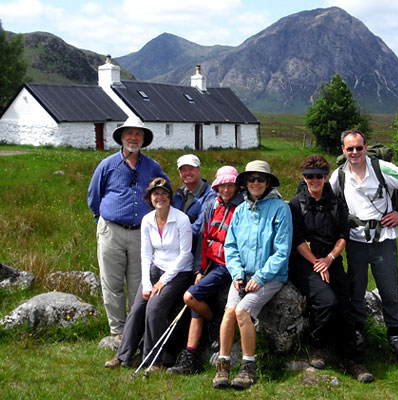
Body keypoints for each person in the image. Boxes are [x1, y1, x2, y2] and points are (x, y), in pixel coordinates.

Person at [329, 129, 398, 358]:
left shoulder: (381, 168)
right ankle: (359, 332)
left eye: (359, 147)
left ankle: (395, 335)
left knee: (389, 288)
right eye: (350, 148)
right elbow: (326, 196)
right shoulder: (339, 175)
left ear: (366, 147)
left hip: (384, 239)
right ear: (343, 150)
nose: (355, 152)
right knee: (356, 290)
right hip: (355, 240)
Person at [288, 154, 373, 383]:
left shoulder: (336, 203)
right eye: (309, 176)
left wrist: (330, 258)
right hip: (305, 262)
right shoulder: (296, 204)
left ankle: (354, 360)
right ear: (303, 178)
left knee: (345, 304)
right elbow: (296, 240)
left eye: (319, 176)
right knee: (327, 301)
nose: (314, 180)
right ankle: (316, 345)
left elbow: (343, 235)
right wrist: (317, 262)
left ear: (326, 177)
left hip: (331, 260)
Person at [212, 160, 292, 390]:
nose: (255, 183)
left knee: (242, 311)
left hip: (271, 277)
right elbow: (231, 246)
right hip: (242, 274)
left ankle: (248, 366)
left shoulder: (280, 209)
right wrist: (237, 274)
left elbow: (282, 251)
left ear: (268, 183)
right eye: (251, 179)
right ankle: (223, 363)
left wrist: (260, 277)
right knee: (229, 313)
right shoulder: (240, 210)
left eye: (260, 179)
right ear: (245, 183)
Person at [88, 116, 169, 344]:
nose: (133, 138)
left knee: (139, 283)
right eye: (129, 134)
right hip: (111, 230)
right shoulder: (107, 165)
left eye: (138, 134)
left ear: (143, 139)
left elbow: (165, 193)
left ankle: (137, 330)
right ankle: (118, 331)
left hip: (141, 233)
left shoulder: (152, 167)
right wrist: (100, 220)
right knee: (112, 283)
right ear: (122, 138)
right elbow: (94, 196)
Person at [104, 178, 194, 369]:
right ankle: (123, 356)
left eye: (164, 194)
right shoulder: (147, 220)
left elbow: (185, 255)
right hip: (157, 267)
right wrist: (146, 283)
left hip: (178, 271)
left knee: (154, 309)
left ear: (170, 197)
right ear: (150, 198)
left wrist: (163, 281)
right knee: (137, 309)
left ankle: (153, 359)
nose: (160, 197)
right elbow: (146, 254)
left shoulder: (181, 219)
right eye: (156, 194)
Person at [167, 166, 243, 375]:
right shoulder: (212, 204)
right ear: (217, 186)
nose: (226, 190)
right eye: (222, 185)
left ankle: (214, 323)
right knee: (196, 305)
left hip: (227, 266)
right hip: (210, 264)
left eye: (230, 185)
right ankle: (190, 355)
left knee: (191, 297)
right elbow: (203, 238)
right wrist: (198, 269)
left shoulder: (242, 207)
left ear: (236, 186)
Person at [173, 154, 217, 249]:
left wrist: (174, 236)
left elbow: (199, 226)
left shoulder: (210, 195)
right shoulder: (177, 194)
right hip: (178, 247)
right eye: (183, 170)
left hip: (198, 250)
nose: (187, 173)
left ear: (199, 169)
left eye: (191, 169)